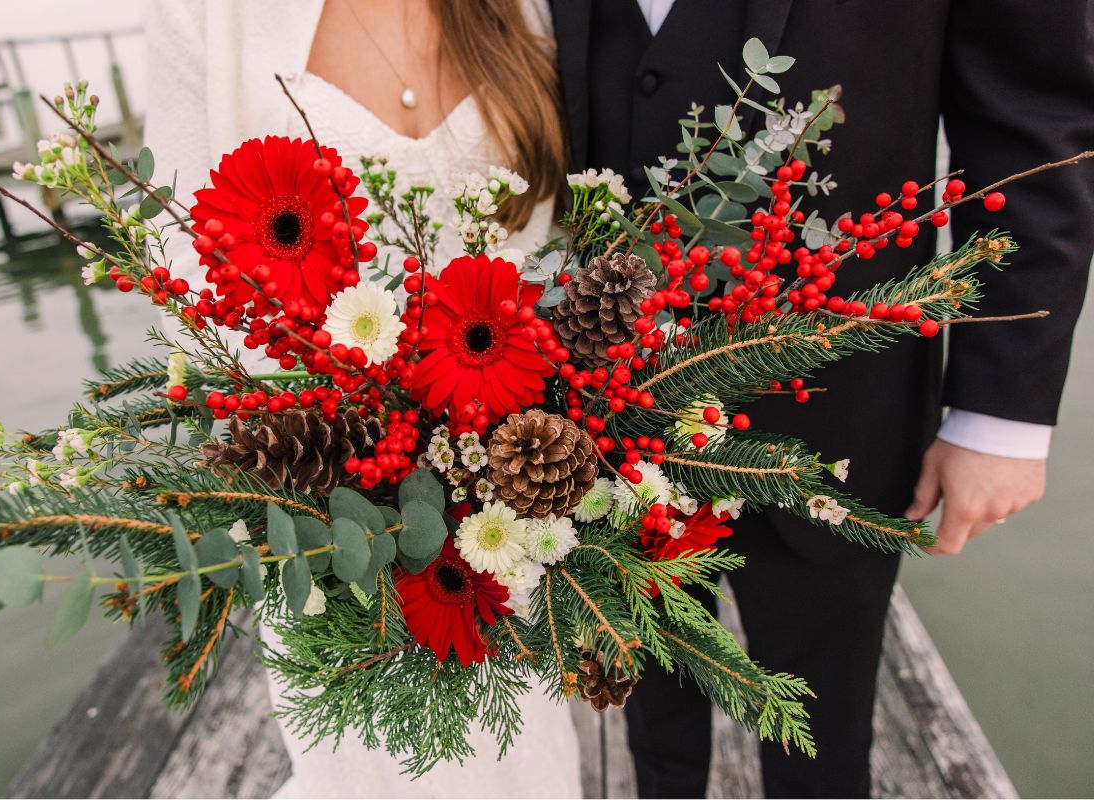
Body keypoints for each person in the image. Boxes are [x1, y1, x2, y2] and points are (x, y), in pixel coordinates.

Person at [549, 0, 1094, 796]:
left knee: (823, 743)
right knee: (646, 711)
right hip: (590, 408)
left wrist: (1001, 413)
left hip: (838, 407)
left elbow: (1032, 111)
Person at [142, 1, 582, 797]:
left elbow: (546, 247)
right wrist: (357, 458)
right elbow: (184, 257)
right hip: (327, 504)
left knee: (522, 752)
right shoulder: (209, 18)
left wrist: (496, 454)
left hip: (503, 506)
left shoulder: (520, 9)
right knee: (369, 765)